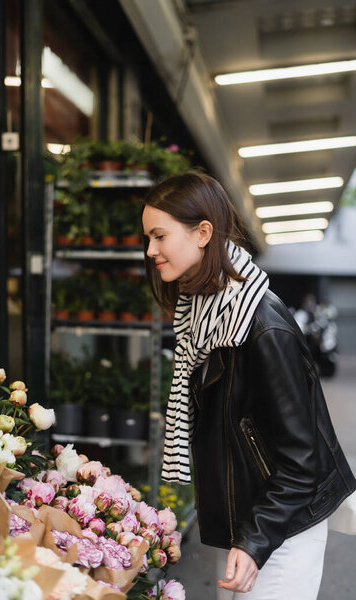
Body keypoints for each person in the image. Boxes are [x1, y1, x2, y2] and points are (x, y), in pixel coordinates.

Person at [141, 171, 356, 600]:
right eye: (148, 237)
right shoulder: (205, 316)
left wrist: (256, 540)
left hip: (282, 527)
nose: (150, 250)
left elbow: (302, 460)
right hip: (249, 522)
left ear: (203, 233)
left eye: (159, 236)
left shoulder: (260, 327)